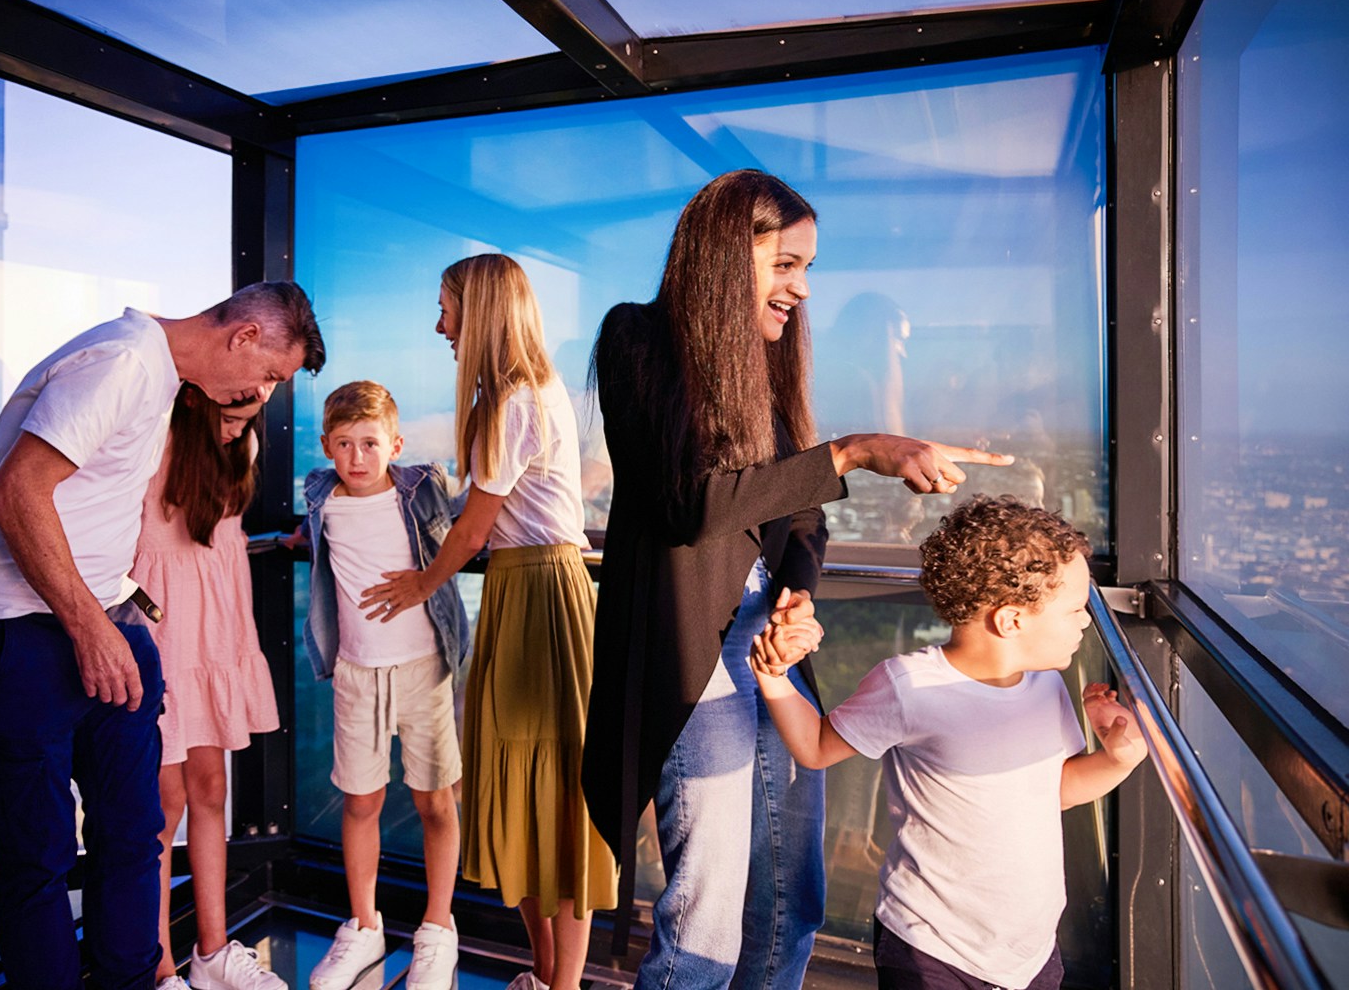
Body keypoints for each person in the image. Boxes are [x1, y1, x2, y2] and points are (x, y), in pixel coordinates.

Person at [581, 168, 1014, 990]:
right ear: (722, 251)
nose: (802, 290)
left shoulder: (768, 379)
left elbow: (804, 519)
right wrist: (851, 452)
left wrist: (799, 593)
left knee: (791, 903)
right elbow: (687, 506)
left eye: (808, 269)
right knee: (703, 926)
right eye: (787, 264)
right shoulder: (636, 338)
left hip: (770, 658)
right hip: (694, 663)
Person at [0, 283, 324, 990]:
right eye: (270, 374)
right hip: (17, 630)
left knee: (135, 835)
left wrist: (115, 624)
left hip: (105, 622)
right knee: (38, 856)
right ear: (243, 338)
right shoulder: (122, 361)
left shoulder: (159, 379)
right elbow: (16, 491)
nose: (261, 394)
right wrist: (89, 626)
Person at [751, 495, 1147, 990]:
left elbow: (1051, 790)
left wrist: (1118, 760)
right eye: (1075, 610)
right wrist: (773, 677)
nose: (1088, 622)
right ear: (1011, 621)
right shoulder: (910, 686)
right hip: (931, 948)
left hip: (1028, 952)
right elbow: (815, 747)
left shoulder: (1045, 686)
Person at [362, 254, 616, 990]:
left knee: (552, 794)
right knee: (535, 790)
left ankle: (559, 982)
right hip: (527, 592)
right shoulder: (527, 396)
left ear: (480, 313)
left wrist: (419, 584)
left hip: (539, 597)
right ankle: (546, 975)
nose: (439, 323)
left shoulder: (515, 403)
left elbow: (473, 530)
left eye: (446, 308)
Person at [298, 380, 469, 990]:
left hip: (424, 667)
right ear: (326, 447)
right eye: (343, 444)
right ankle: (365, 926)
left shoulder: (421, 491)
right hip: (356, 673)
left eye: (370, 443)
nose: (358, 458)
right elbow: (315, 543)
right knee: (361, 801)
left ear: (394, 444)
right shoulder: (322, 496)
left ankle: (437, 929)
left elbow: (468, 523)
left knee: (435, 800)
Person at [130, 385, 285, 990]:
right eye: (231, 416)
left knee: (212, 788)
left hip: (217, 634)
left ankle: (213, 953)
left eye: (247, 421)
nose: (237, 430)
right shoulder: (154, 443)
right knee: (162, 805)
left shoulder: (239, 445)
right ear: (198, 403)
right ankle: (161, 968)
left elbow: (228, 537)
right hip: (164, 632)